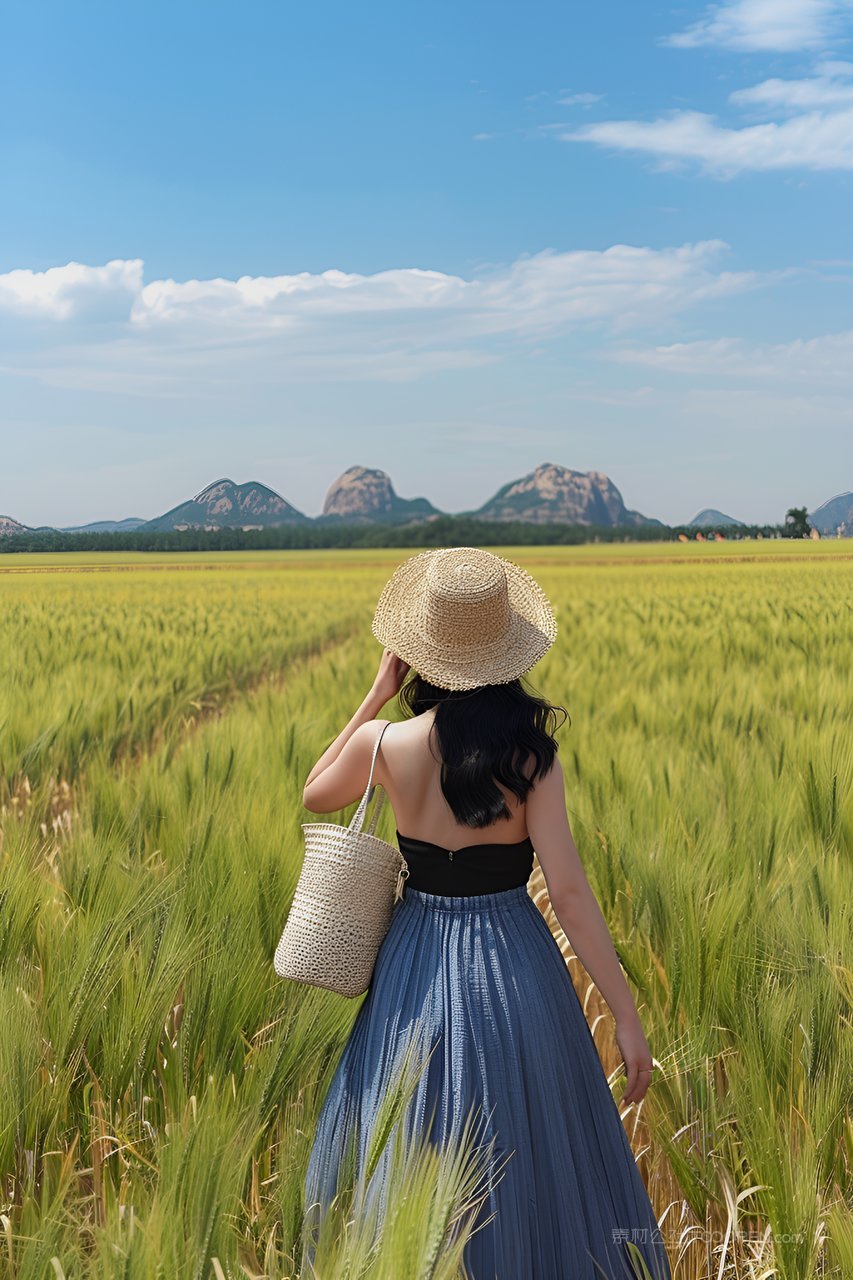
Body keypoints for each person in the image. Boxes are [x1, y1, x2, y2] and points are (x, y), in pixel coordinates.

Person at [299, 547, 671, 1280]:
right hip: (513, 962)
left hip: (414, 956)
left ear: (421, 654)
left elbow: (316, 792)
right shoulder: (533, 759)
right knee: (527, 1141)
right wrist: (625, 1015)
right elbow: (567, 894)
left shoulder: (387, 743)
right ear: (505, 653)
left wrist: (374, 694)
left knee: (412, 1131)